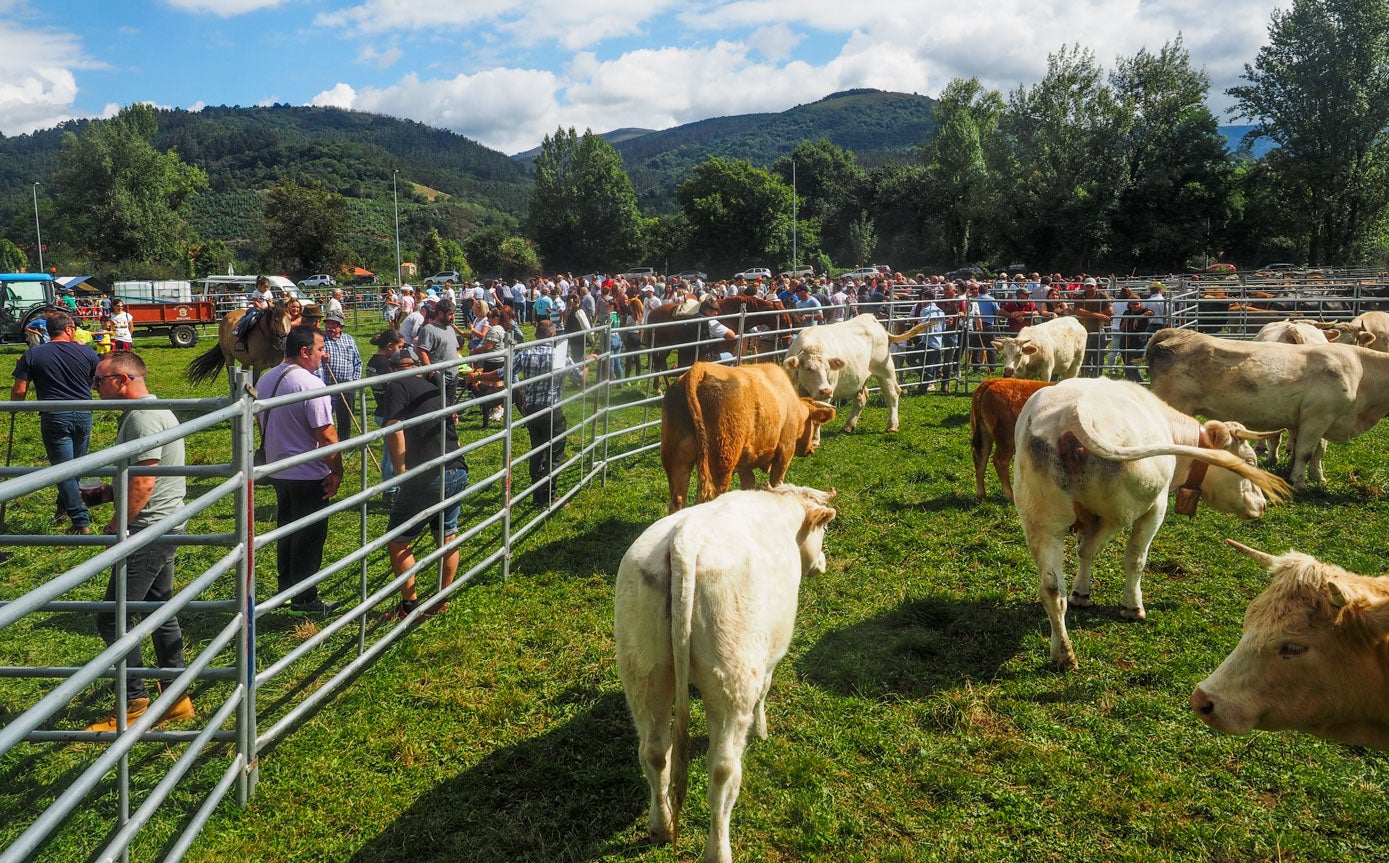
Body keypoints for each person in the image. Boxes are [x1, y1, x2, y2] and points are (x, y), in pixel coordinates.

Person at [82, 351, 195, 732]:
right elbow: (144, 475)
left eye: (99, 381)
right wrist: (107, 492)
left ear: (123, 381)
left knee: (112, 618)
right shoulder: (146, 412)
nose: (95, 387)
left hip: (148, 530)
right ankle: (176, 697)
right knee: (157, 610)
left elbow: (146, 481)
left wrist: (118, 526)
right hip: (162, 524)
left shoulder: (143, 417)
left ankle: (134, 702)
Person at [380, 346, 470, 620]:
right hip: (456, 469)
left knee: (398, 540)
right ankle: (441, 598)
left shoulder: (397, 386)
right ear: (417, 365)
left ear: (393, 369)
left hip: (429, 476)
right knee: (446, 536)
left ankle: (409, 606)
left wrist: (400, 472)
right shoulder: (432, 387)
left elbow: (394, 426)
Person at [258, 326, 344, 614]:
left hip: (279, 469)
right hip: (308, 472)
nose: (325, 354)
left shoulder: (266, 378)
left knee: (288, 530)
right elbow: (327, 435)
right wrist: (337, 471)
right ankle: (305, 598)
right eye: (320, 349)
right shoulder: (311, 384)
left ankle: (287, 588)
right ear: (305, 351)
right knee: (309, 538)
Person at [471, 319, 589, 507]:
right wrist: (589, 362)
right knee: (554, 452)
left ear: (536, 335)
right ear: (553, 335)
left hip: (532, 410)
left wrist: (477, 376)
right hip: (552, 410)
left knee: (537, 451)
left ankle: (537, 495)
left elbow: (500, 373)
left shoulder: (524, 355)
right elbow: (580, 377)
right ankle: (549, 496)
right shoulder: (559, 356)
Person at [11, 310, 99, 534]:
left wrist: (14, 408)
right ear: (69, 329)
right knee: (75, 467)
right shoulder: (87, 353)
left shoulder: (32, 354)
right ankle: (64, 507)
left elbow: (20, 390)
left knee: (64, 470)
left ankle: (80, 521)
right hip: (84, 413)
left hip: (55, 416)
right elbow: (95, 381)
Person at [365, 329, 405, 506]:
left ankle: (393, 488)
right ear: (390, 346)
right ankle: (389, 492)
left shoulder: (373, 362)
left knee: (392, 452)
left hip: (381, 410)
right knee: (392, 454)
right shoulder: (385, 365)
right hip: (390, 413)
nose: (401, 350)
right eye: (400, 347)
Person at [319, 312, 363, 436]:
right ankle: (327, 444)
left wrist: (354, 381)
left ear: (340, 326)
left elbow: (358, 362)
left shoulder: (349, 339)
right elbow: (314, 361)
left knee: (345, 418)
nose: (329, 327)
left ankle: (344, 443)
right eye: (328, 323)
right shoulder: (320, 339)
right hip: (327, 386)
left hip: (347, 386)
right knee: (325, 419)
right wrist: (321, 359)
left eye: (333, 323)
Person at [1072, 277, 1114, 377]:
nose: (1089, 288)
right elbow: (1078, 311)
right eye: (1087, 286)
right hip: (1083, 331)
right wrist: (1097, 315)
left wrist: (1088, 314)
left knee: (1099, 356)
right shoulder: (1079, 297)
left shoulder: (1102, 295)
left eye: (1091, 286)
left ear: (1095, 287)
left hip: (1099, 329)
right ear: (1084, 287)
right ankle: (1086, 376)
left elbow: (1111, 311)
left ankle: (1097, 376)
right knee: (1085, 356)